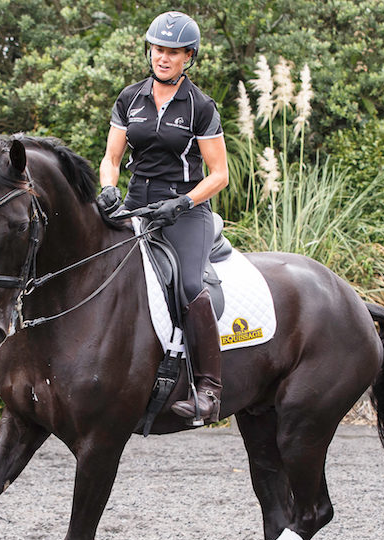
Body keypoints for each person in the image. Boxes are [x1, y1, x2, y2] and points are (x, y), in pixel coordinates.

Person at [97, 10, 229, 424]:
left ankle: (208, 389)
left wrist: (185, 203)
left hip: (185, 212)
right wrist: (107, 189)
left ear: (189, 56)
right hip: (136, 205)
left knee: (190, 284)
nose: (163, 58)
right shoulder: (130, 98)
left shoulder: (200, 106)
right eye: (158, 49)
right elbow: (112, 158)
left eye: (173, 52)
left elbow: (220, 175)